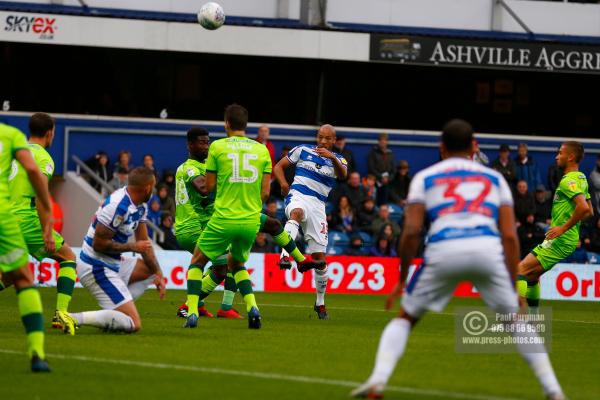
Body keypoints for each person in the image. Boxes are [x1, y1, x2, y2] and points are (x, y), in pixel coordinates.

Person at [351, 119, 565, 400]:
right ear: (474, 146)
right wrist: (513, 282)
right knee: (516, 321)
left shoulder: (424, 177)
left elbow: (412, 231)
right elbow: (511, 236)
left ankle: (378, 381)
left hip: (444, 248)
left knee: (406, 318)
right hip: (487, 249)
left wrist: (402, 278)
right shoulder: (494, 178)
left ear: (441, 148)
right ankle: (554, 391)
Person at [182, 106, 324, 329]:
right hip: (249, 218)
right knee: (237, 264)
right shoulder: (261, 150)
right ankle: (252, 308)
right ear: (246, 125)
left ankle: (190, 312)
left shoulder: (218, 147)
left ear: (226, 123)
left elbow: (208, 187)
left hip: (223, 217)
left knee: (198, 261)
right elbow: (266, 193)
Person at [57, 167, 166, 334]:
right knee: (133, 324)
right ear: (147, 188)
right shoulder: (117, 206)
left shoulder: (140, 205)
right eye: (154, 186)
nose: (154, 190)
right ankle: (73, 318)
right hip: (95, 266)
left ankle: (115, 315)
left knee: (151, 271)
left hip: (113, 262)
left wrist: (158, 273)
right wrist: (132, 247)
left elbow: (144, 242)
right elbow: (98, 244)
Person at [7, 113, 78, 330]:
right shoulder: (43, 157)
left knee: (10, 274)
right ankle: (61, 314)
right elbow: (41, 196)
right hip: (27, 221)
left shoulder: (12, 153)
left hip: (6, 218)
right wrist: (47, 231)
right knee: (68, 257)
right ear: (50, 133)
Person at [274, 124, 348, 320]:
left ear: (333, 141)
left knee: (320, 260)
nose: (322, 141)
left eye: (327, 138)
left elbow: (343, 176)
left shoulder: (339, 160)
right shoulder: (302, 150)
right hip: (297, 195)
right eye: (320, 137)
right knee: (296, 213)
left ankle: (320, 303)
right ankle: (284, 256)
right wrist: (283, 183)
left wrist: (331, 157)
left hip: (318, 206)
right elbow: (278, 167)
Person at [0, 121, 54, 372]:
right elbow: (33, 170)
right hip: (4, 216)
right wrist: (46, 209)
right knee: (23, 279)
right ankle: (36, 353)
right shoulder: (10, 135)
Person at [517, 141, 593, 313]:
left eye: (560, 153)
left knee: (520, 270)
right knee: (532, 276)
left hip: (560, 239)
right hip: (567, 240)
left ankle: (517, 319)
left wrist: (562, 228)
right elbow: (590, 211)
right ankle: (534, 319)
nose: (556, 157)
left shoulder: (569, 181)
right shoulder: (581, 178)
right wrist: (570, 226)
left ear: (571, 156)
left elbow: (583, 208)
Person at [368, 133, 395, 205]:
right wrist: (380, 177)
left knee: (385, 202)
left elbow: (393, 169)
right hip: (376, 182)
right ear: (378, 142)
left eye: (385, 140)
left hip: (387, 183)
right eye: (381, 141)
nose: (383, 142)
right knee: (375, 201)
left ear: (387, 142)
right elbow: (371, 167)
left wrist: (388, 178)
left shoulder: (391, 154)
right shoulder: (373, 153)